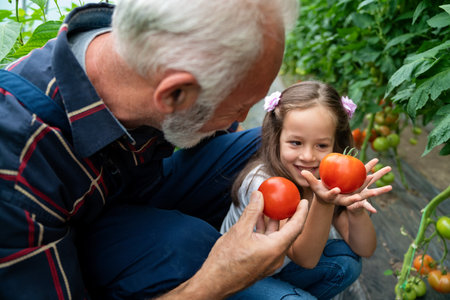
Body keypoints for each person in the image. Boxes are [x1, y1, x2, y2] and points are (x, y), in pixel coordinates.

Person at [0, 1, 317, 299]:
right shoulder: (17, 171)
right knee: (185, 244)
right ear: (174, 94)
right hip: (73, 249)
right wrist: (216, 280)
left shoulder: (146, 44)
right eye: (240, 107)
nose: (240, 119)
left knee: (266, 144)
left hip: (128, 193)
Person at [220, 81, 393, 299]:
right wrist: (324, 202)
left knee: (347, 262)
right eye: (295, 143)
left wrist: (356, 210)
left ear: (335, 145)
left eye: (321, 145)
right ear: (277, 138)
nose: (308, 156)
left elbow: (365, 249)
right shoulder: (267, 184)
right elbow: (306, 259)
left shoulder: (326, 179)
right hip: (236, 278)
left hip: (278, 269)